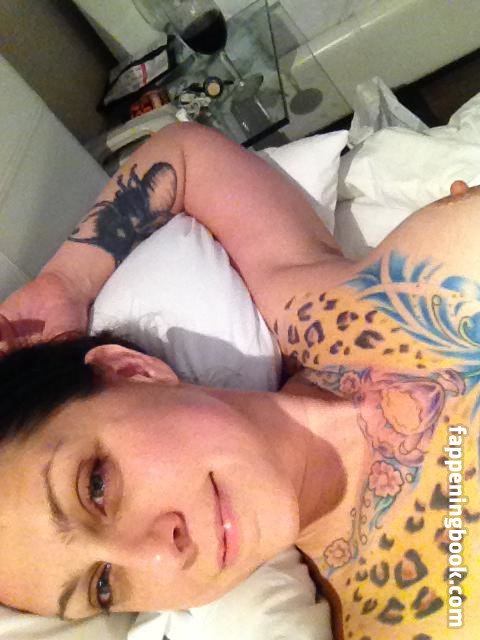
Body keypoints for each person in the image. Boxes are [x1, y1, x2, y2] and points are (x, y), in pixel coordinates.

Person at [0, 122, 477, 639]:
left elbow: (184, 157)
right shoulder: (406, 617)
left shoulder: (304, 301)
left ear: (132, 370)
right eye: (104, 586)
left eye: (96, 486)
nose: (161, 557)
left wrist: (65, 282)